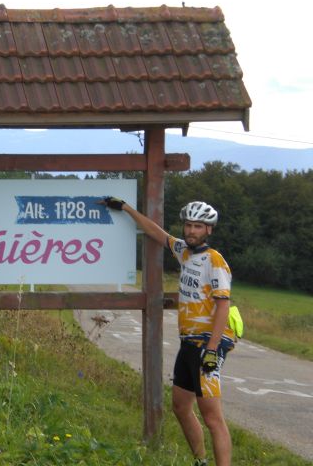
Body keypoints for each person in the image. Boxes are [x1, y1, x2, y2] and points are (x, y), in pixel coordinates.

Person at [101, 197, 234, 466]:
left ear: (208, 229)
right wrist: (126, 208)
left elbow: (223, 307)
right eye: (188, 225)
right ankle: (201, 461)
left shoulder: (215, 261)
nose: (191, 231)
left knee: (212, 416)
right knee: (181, 407)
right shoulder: (185, 251)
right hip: (189, 342)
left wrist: (211, 350)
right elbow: (156, 233)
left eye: (198, 226)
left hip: (208, 343)